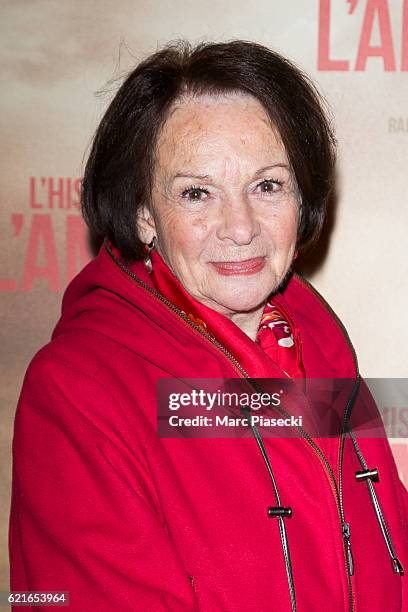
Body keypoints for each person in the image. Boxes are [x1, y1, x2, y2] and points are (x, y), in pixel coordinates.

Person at [9, 39, 408, 611]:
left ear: (303, 198)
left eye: (267, 185)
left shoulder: (318, 352)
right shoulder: (79, 390)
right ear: (144, 214)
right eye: (196, 193)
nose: (240, 227)